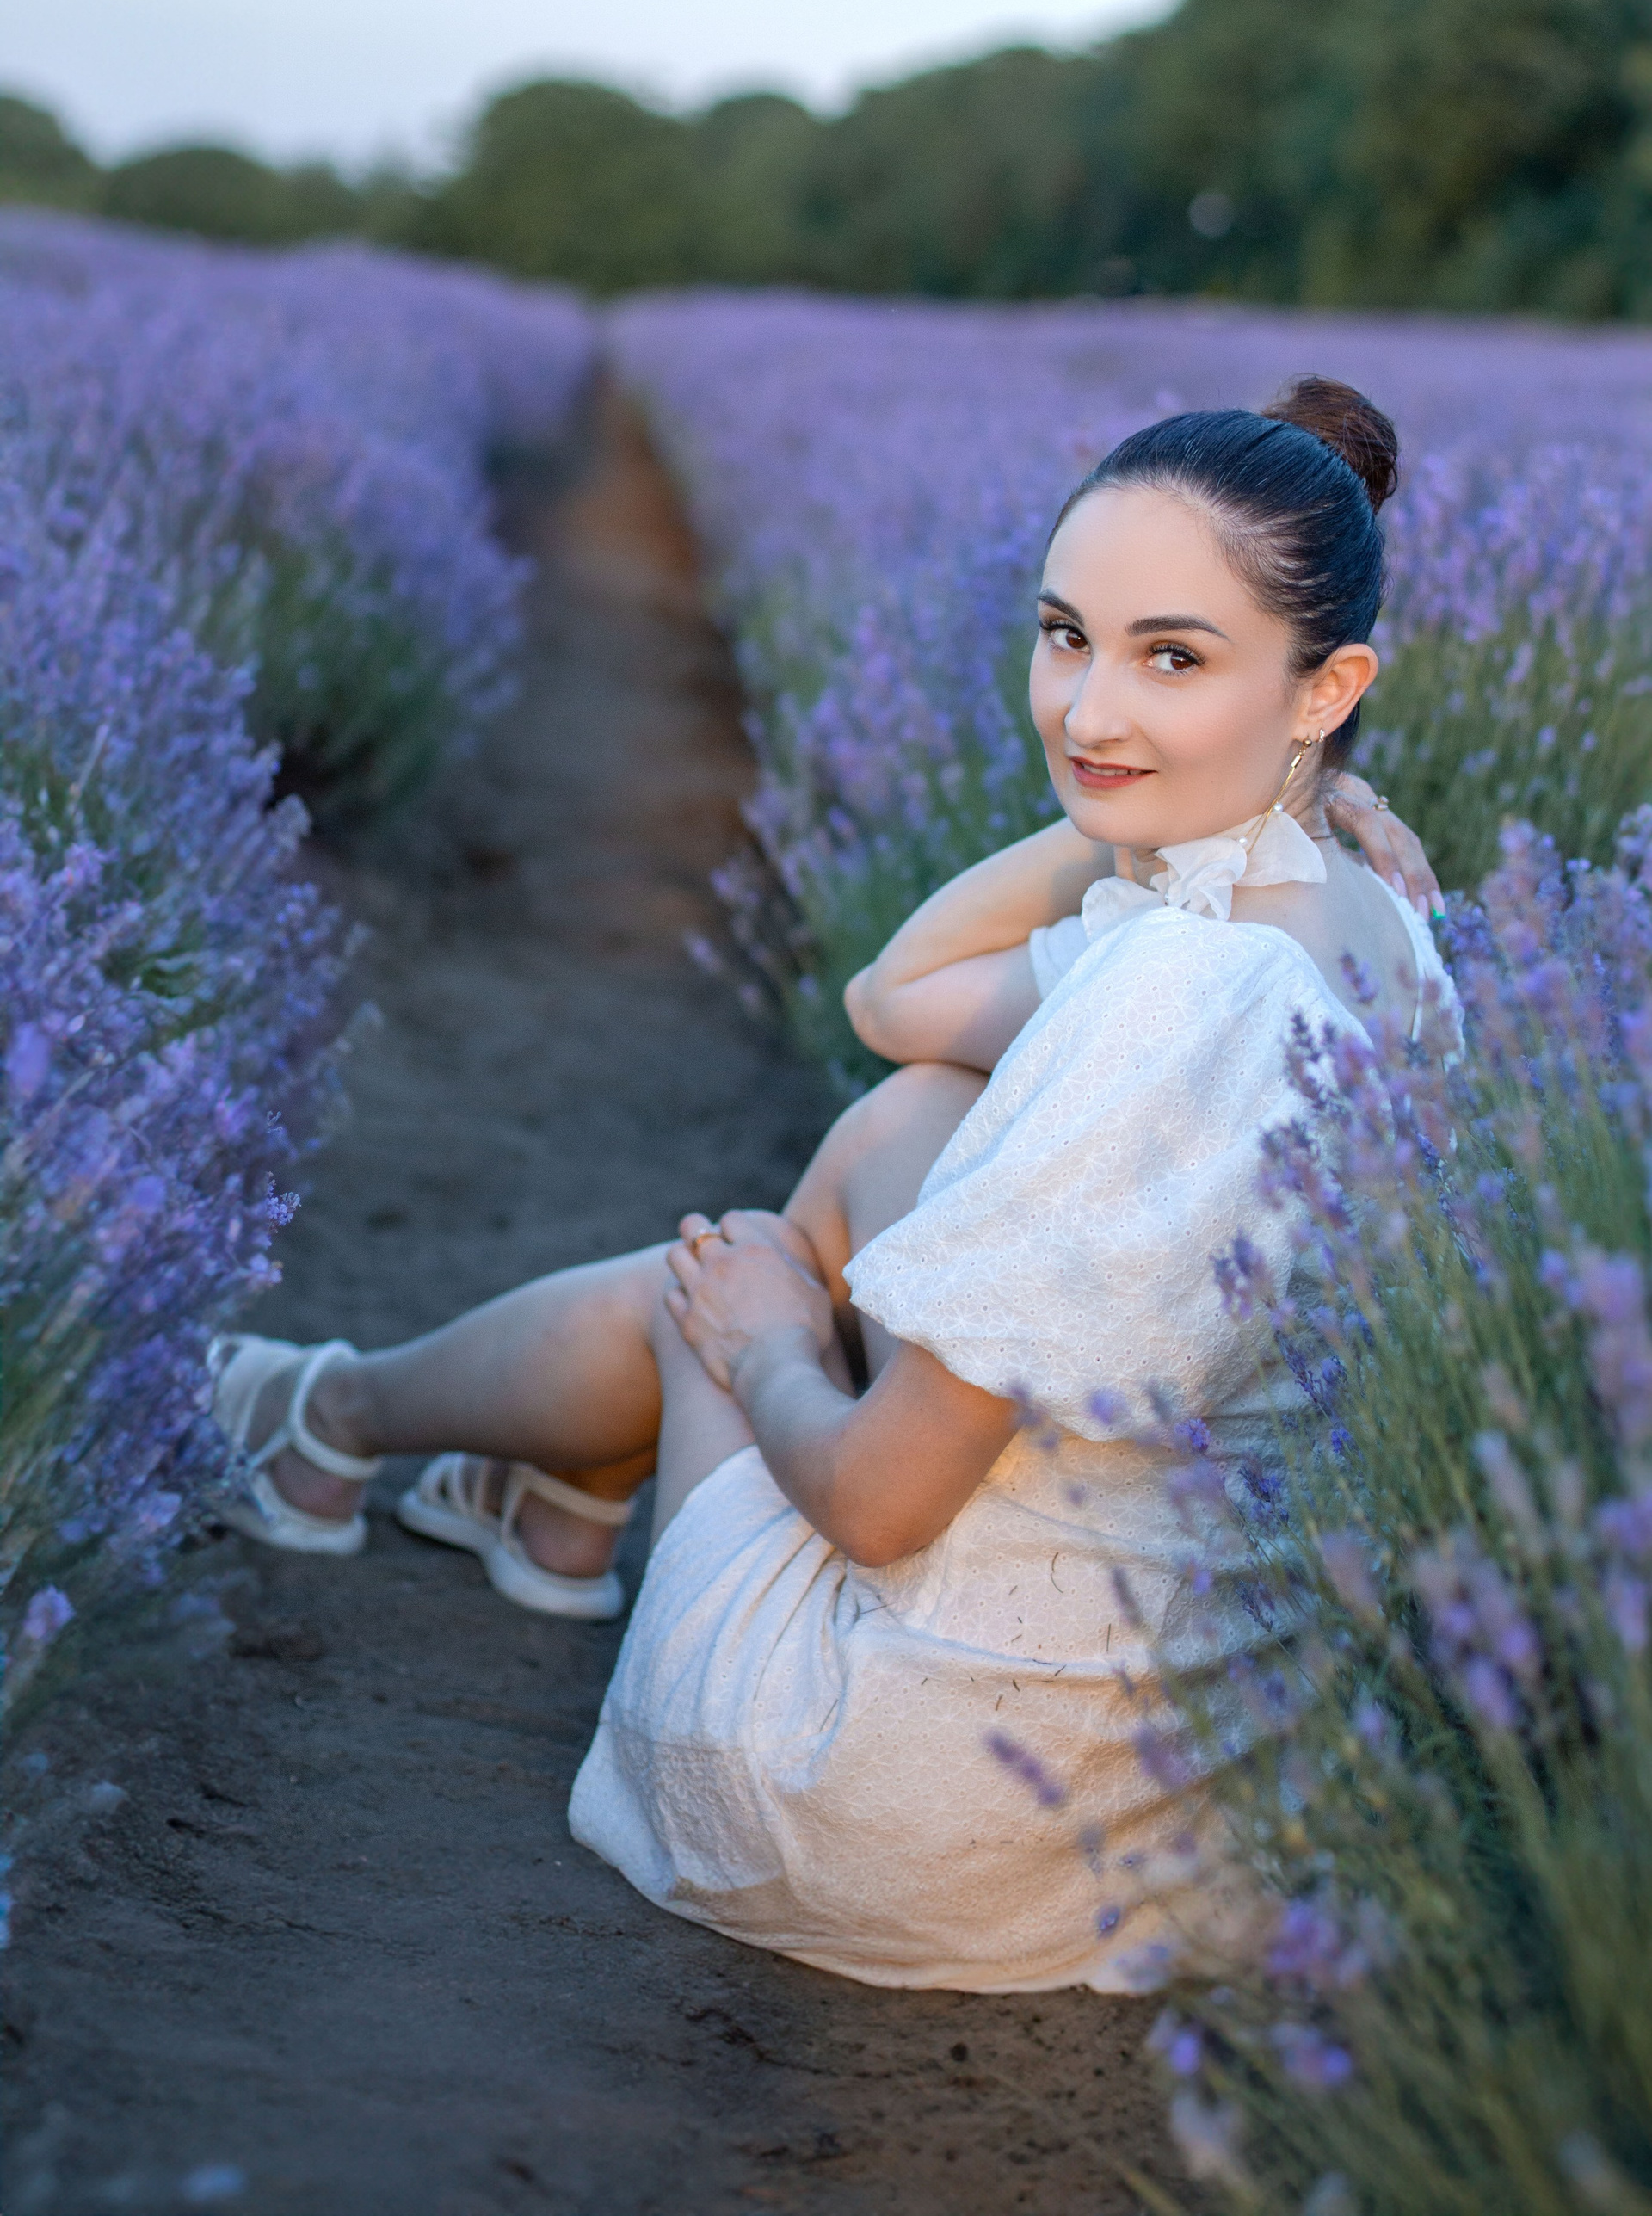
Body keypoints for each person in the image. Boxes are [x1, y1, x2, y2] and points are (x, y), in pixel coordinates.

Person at [210, 377, 1454, 1992]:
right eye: (1066, 636)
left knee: (733, 1271)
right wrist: (1190, 804)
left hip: (916, 1814)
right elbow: (898, 1004)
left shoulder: (1172, 997)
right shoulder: (1378, 928)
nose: (1086, 712)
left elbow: (876, 1505)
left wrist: (766, 1342)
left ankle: (355, 1425)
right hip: (1184, 1804)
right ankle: (515, 1480)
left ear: (1328, 686)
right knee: (916, 1111)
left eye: (1174, 659)